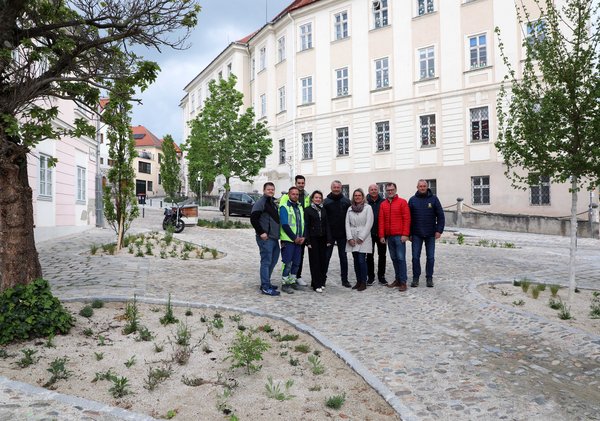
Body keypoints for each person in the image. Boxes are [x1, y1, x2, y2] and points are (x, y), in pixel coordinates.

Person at [408, 179, 445, 288]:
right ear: (417, 187)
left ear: (427, 187)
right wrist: (409, 233)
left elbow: (441, 216)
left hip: (430, 233)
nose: (422, 188)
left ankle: (429, 277)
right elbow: (408, 218)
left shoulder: (434, 199)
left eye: (424, 186)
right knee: (415, 257)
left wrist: (439, 230)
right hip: (416, 233)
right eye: (420, 186)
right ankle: (415, 278)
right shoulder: (412, 200)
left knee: (431, 257)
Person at [378, 182, 411, 292]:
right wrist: (382, 235)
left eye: (392, 190)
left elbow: (407, 219)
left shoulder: (402, 202)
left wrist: (405, 234)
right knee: (394, 259)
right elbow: (381, 221)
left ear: (395, 190)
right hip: (389, 236)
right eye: (388, 190)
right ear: (386, 191)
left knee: (401, 259)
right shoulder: (383, 204)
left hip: (399, 236)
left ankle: (403, 282)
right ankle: (397, 279)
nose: (390, 192)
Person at [250, 182, 281, 296]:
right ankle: (265, 287)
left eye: (272, 189)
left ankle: (266, 282)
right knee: (266, 262)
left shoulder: (272, 202)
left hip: (274, 238)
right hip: (265, 238)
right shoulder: (261, 202)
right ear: (264, 190)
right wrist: (261, 232)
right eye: (268, 189)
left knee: (273, 261)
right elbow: (253, 218)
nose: (271, 191)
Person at [279, 175, 310, 286]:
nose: (295, 196)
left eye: (297, 194)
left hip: (299, 240)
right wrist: (294, 238)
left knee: (296, 263)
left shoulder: (299, 207)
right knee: (287, 263)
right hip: (289, 240)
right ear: (288, 195)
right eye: (293, 194)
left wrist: (303, 237)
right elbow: (285, 224)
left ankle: (292, 281)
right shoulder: (284, 206)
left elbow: (304, 223)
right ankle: (285, 283)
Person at [324, 180, 352, 288]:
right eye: (334, 187)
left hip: (342, 234)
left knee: (343, 257)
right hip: (329, 235)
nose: (336, 189)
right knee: (326, 257)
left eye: (338, 187)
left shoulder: (346, 201)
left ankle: (344, 280)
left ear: (341, 188)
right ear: (331, 188)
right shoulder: (326, 202)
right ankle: (323, 278)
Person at [345, 188, 374, 291]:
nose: (357, 197)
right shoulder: (350, 209)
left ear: (363, 197)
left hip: (363, 237)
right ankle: (358, 281)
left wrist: (361, 237)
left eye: (359, 195)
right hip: (352, 236)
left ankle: (363, 282)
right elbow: (347, 224)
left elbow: (369, 223)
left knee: (362, 260)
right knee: (356, 260)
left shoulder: (368, 208)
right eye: (355, 195)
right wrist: (349, 238)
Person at [304, 190, 332, 293]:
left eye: (320, 198)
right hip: (313, 238)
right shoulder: (307, 210)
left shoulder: (323, 210)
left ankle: (319, 281)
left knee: (322, 261)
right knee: (314, 261)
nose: (318, 199)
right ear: (312, 198)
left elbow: (327, 224)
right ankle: (316, 284)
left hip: (323, 238)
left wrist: (329, 238)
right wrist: (308, 241)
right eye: (316, 197)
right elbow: (306, 226)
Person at [366, 184, 388, 286]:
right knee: (369, 256)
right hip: (368, 234)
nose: (373, 191)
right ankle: (370, 277)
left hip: (381, 233)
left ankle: (381, 276)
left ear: (378, 190)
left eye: (375, 189)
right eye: (371, 189)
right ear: (369, 191)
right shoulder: (365, 202)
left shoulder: (384, 201)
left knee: (382, 255)